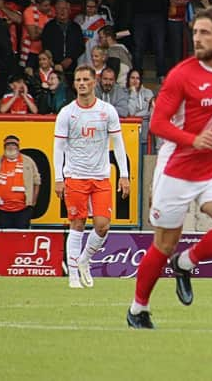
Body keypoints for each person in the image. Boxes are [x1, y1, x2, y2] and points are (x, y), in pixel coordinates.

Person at [127, 6, 212, 329]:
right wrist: (193, 140)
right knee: (164, 243)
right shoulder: (181, 75)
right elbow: (157, 123)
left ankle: (185, 264)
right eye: (195, 32)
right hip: (177, 168)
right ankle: (137, 310)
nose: (196, 39)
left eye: (204, 33)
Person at [54, 65, 130, 289]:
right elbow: (58, 148)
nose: (82, 83)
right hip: (76, 176)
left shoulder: (107, 111)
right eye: (78, 80)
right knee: (77, 223)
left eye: (86, 79)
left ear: (94, 81)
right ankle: (74, 276)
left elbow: (118, 144)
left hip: (100, 177)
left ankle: (85, 259)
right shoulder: (67, 113)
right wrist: (59, 177)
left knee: (102, 226)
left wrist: (124, 175)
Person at [127, 0, 169, 83]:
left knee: (159, 46)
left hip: (158, 15)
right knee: (138, 47)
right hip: (140, 16)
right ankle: (137, 74)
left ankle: (161, 73)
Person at [0, 135, 41, 229]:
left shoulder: (28, 162)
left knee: (22, 236)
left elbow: (37, 182)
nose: (10, 147)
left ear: (18, 147)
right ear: (4, 147)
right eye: (8, 145)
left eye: (13, 144)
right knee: (3, 237)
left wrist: (33, 201)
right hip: (1, 210)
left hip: (23, 209)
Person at [168, 0, 204, 69]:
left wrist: (184, 0)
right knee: (177, 50)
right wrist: (192, 0)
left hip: (195, 19)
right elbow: (173, 2)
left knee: (194, 48)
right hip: (176, 18)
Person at [41, 0, 84, 82]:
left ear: (69, 10)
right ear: (55, 10)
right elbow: (45, 47)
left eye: (65, 8)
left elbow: (81, 46)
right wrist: (55, 63)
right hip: (54, 67)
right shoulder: (49, 27)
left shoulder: (75, 27)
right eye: (60, 9)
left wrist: (70, 58)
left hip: (72, 67)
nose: (62, 11)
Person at [19, 0, 55, 69]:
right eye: (45, 6)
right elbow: (33, 36)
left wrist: (40, 30)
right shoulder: (29, 11)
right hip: (30, 52)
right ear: (37, 5)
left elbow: (53, 33)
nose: (49, 8)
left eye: (49, 5)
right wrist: (46, 32)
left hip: (46, 52)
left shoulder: (51, 11)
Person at [74, 0, 108, 67]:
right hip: (81, 56)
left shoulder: (101, 22)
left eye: (93, 7)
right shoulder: (78, 19)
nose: (90, 9)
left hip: (95, 55)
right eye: (88, 6)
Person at [126, 69, 154, 155]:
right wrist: (133, 93)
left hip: (147, 134)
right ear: (128, 79)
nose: (135, 81)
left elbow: (151, 112)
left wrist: (137, 115)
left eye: (137, 78)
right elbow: (130, 112)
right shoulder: (124, 93)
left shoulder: (148, 92)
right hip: (131, 135)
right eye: (132, 78)